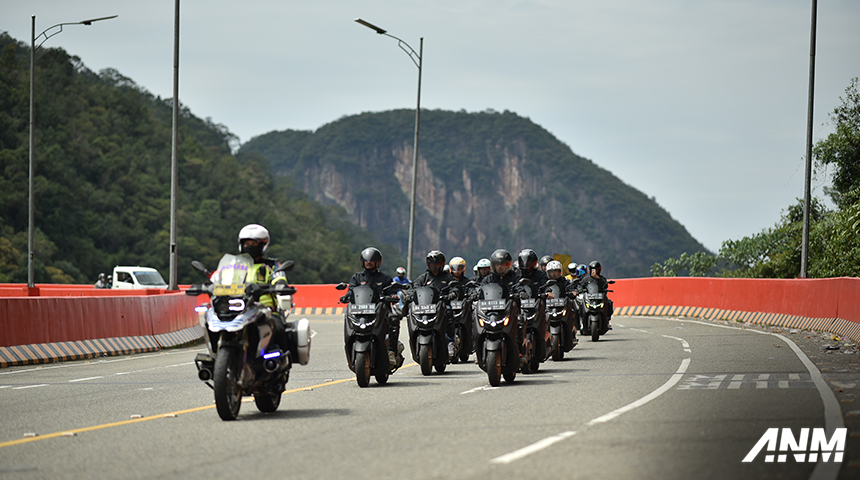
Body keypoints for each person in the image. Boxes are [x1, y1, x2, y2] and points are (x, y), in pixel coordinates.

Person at [342, 247, 400, 366]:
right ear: (362, 262)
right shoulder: (356, 278)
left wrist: (393, 296)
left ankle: (391, 352)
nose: (369, 262)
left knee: (394, 319)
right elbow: (351, 291)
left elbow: (391, 292)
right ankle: (351, 347)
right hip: (360, 311)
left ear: (378, 262)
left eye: (372, 260)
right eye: (367, 260)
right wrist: (346, 296)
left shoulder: (385, 278)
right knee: (348, 319)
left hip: (380, 310)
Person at [237, 224, 291, 349]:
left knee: (278, 327)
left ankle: (280, 360)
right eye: (247, 243)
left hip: (265, 311)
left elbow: (279, 277)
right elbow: (221, 279)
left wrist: (280, 285)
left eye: (253, 244)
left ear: (263, 245)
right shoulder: (234, 265)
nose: (249, 247)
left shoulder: (272, 265)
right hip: (237, 309)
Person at [480, 249, 527, 362]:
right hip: (491, 311)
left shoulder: (514, 277)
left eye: (504, 265)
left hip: (509, 309)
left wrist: (521, 292)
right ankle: (480, 350)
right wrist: (474, 295)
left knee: (520, 322)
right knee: (478, 323)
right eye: (498, 265)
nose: (500, 267)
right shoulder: (488, 279)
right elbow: (481, 291)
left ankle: (520, 351)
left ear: (509, 265)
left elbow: (519, 285)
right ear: (493, 266)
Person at [411, 250, 459, 357]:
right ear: (428, 264)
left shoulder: (447, 277)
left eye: (437, 263)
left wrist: (452, 293)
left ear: (442, 264)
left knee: (449, 311)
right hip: (425, 307)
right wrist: (409, 295)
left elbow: (454, 288)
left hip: (441, 305)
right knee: (413, 314)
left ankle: (450, 341)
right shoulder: (423, 277)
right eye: (432, 263)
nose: (434, 266)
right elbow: (415, 288)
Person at [577, 260, 614, 329]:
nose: (595, 271)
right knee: (580, 304)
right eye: (593, 270)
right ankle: (581, 320)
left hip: (599, 298)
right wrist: (580, 290)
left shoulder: (601, 278)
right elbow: (580, 285)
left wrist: (598, 278)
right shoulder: (586, 279)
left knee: (609, 303)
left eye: (597, 270)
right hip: (589, 298)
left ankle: (607, 319)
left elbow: (605, 285)